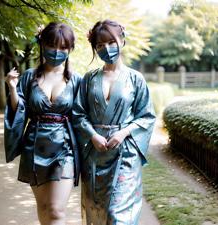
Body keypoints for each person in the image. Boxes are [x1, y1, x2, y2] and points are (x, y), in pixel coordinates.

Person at [72, 19, 156, 225]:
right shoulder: (89, 79)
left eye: (111, 42)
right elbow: (78, 113)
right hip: (95, 154)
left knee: (118, 215)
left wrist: (123, 132)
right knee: (98, 210)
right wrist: (92, 135)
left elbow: (146, 116)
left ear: (122, 41)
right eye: (99, 45)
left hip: (125, 154)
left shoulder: (136, 79)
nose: (106, 48)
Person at [4, 22, 81, 225]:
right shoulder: (29, 77)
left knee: (56, 210)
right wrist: (12, 88)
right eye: (52, 46)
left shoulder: (77, 80)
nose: (57, 52)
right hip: (35, 146)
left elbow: (82, 116)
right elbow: (19, 110)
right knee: (45, 208)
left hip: (65, 148)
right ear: (42, 45)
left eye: (63, 47)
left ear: (70, 49)